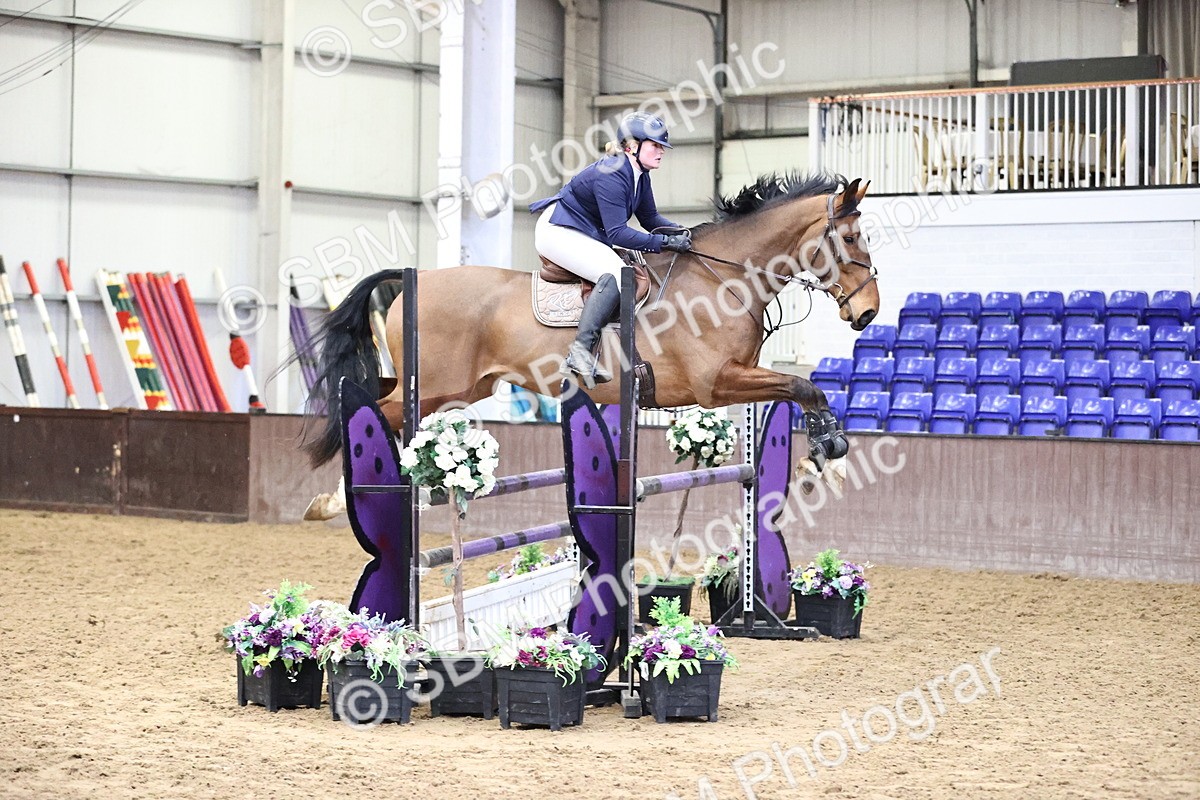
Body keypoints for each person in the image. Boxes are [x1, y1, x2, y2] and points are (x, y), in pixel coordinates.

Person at [530, 112, 694, 388]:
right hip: (558, 231)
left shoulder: (640, 175)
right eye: (655, 145)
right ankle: (579, 352)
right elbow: (618, 232)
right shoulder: (613, 174)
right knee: (619, 274)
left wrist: (684, 232)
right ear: (631, 146)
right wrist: (664, 243)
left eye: (662, 146)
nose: (661, 151)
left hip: (582, 231)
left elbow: (651, 220)